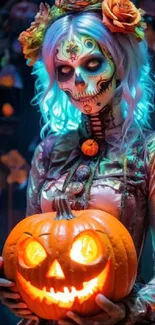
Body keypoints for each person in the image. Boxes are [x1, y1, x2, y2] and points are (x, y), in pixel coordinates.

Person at [0, 0, 155, 324]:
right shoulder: (48, 150)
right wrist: (15, 286)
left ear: (121, 62)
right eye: (65, 71)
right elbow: (28, 240)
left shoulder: (148, 151)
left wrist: (132, 310)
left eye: (93, 62)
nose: (78, 81)